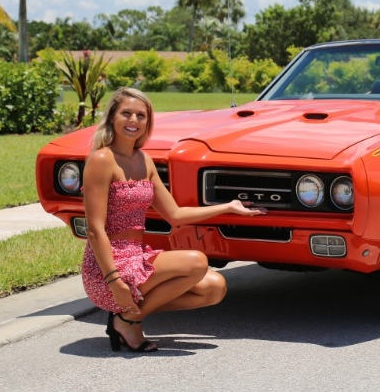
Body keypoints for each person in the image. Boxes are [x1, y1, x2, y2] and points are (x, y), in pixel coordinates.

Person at [81, 87, 266, 353]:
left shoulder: (144, 160)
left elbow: (176, 215)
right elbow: (94, 229)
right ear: (112, 117)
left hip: (137, 257)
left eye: (141, 116)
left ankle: (127, 318)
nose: (134, 120)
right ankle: (129, 322)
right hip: (107, 267)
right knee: (196, 262)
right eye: (126, 113)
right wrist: (114, 280)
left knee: (214, 288)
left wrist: (228, 207)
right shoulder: (101, 159)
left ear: (148, 122)